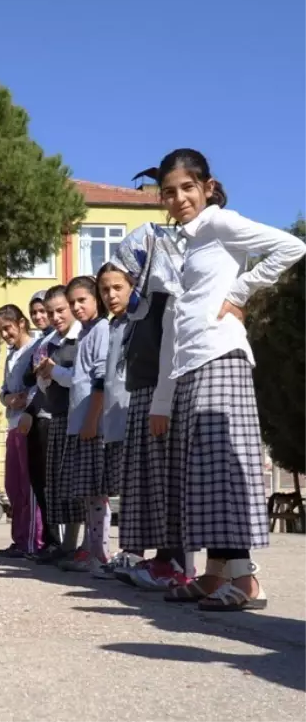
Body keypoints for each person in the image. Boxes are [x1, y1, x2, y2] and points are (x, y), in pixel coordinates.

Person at [155, 149, 304, 611]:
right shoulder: (188, 242)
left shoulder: (220, 223)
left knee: (223, 468)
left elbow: (292, 246)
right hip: (194, 362)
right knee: (204, 474)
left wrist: (239, 292)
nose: (179, 198)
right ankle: (215, 573)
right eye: (170, 192)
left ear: (207, 187)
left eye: (187, 188)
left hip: (223, 354)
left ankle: (247, 580)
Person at [110, 222, 194, 590]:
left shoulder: (164, 299)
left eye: (132, 268)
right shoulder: (142, 305)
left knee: (165, 483)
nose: (129, 275)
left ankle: (174, 561)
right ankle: (159, 558)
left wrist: (162, 401)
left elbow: (169, 354)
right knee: (148, 484)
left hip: (159, 398)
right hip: (141, 396)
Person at [54, 276, 110, 574]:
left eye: (82, 301)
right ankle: (89, 547)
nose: (76, 307)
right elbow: (78, 378)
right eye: (72, 302)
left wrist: (91, 419)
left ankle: (100, 553)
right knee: (87, 493)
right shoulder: (86, 333)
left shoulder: (101, 329)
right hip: (80, 424)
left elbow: (101, 379)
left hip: (93, 425)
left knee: (96, 492)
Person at [32, 285, 84, 565]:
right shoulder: (53, 341)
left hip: (75, 414)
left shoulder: (80, 339)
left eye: (60, 310)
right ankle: (65, 543)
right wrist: (44, 374)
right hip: (56, 413)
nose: (55, 317)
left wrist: (55, 371)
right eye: (51, 312)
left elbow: (80, 378)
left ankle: (82, 545)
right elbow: (46, 381)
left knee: (77, 484)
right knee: (58, 484)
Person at [93, 263, 136, 579]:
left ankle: (135, 554)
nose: (110, 295)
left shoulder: (137, 322)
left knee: (136, 491)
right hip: (114, 421)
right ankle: (129, 553)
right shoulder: (111, 326)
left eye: (117, 288)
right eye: (105, 289)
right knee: (123, 490)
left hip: (135, 416)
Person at [0, 304, 43, 559]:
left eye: (8, 328)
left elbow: (40, 385)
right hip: (12, 424)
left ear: (21, 323)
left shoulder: (37, 347)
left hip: (28, 423)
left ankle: (36, 541)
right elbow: (3, 391)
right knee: (13, 486)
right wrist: (9, 398)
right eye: (1, 330)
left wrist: (28, 403)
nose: (5, 334)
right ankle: (20, 539)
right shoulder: (10, 355)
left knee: (29, 487)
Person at [23, 290, 61, 554]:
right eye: (35, 312)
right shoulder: (40, 344)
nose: (40, 317)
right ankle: (48, 539)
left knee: (52, 482)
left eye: (44, 312)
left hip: (51, 416)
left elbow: (47, 381)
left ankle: (58, 540)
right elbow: (31, 378)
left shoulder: (60, 341)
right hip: (35, 419)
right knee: (38, 481)